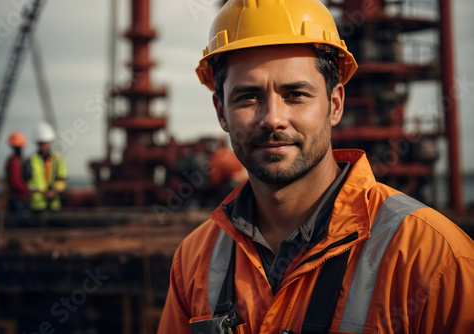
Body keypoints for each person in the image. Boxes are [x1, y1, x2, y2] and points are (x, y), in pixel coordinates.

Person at [157, 0, 474, 333]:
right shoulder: (194, 261)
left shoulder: (436, 260)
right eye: (248, 97)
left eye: (295, 94)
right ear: (221, 111)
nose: (272, 119)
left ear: (335, 105)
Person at [25, 122, 68, 212]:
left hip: (54, 205)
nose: (44, 145)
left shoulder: (58, 160)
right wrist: (41, 192)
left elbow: (62, 181)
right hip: (36, 206)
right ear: (38, 143)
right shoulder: (30, 161)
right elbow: (27, 183)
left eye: (46, 143)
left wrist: (53, 192)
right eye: (42, 143)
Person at [5, 131, 30, 217]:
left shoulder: (17, 160)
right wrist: (28, 190)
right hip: (18, 199)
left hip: (18, 198)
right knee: (19, 224)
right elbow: (15, 183)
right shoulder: (15, 161)